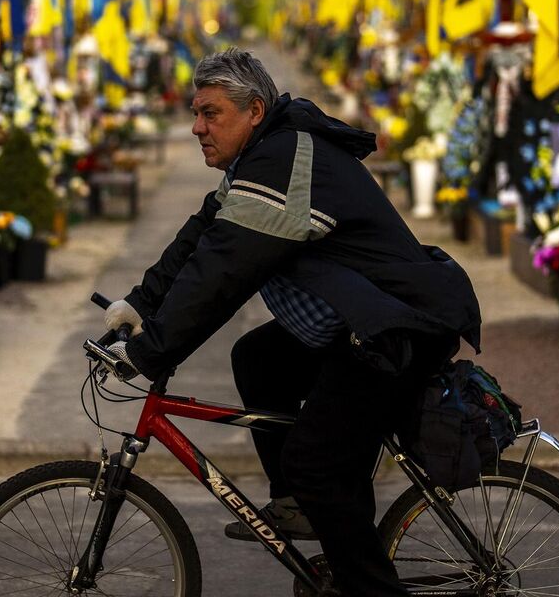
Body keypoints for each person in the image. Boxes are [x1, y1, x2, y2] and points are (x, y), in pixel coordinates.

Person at [101, 49, 481, 596]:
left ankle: (364, 580)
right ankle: (302, 507)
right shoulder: (260, 157)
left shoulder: (284, 161)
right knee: (255, 358)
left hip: (396, 330)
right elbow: (200, 239)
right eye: (195, 112)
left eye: (211, 114)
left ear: (254, 110)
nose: (196, 127)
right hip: (359, 324)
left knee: (316, 461)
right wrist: (139, 304)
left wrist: (151, 351)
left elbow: (222, 273)